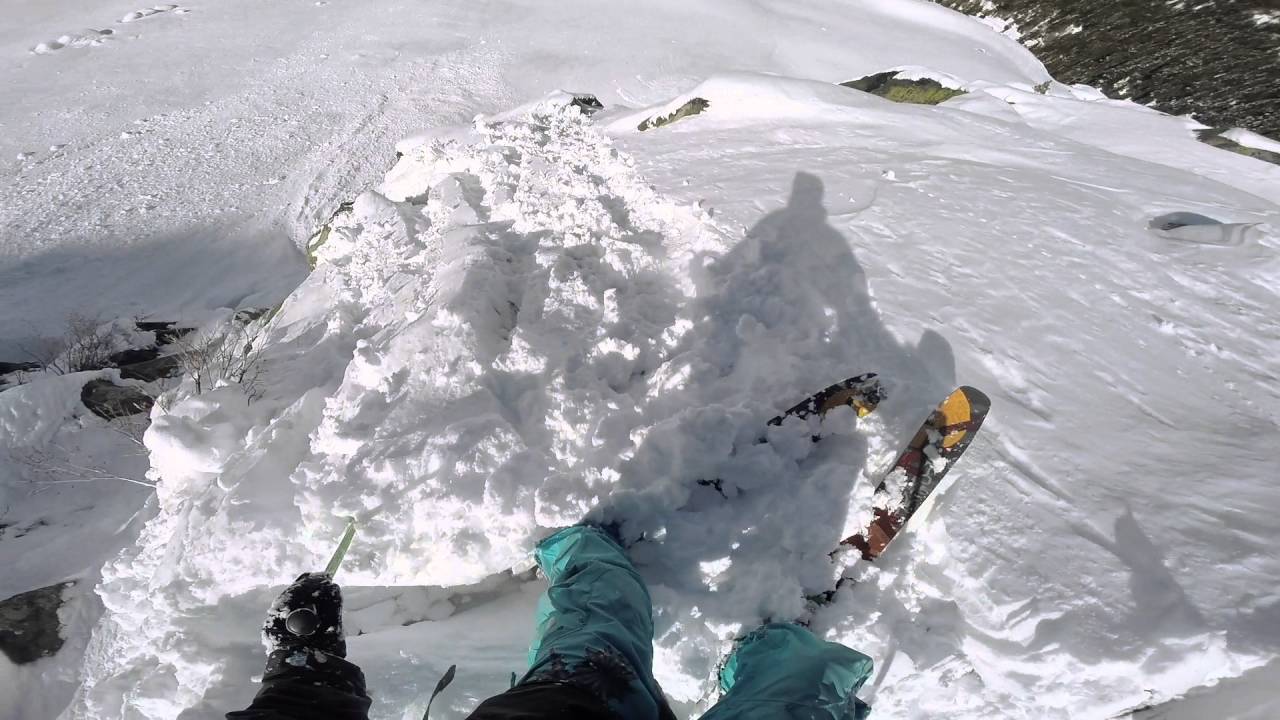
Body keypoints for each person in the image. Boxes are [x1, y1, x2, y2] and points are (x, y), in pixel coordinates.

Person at [228, 525, 873, 719]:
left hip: (572, 705)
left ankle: (584, 549)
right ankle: (792, 665)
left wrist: (302, 670)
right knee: (801, 696)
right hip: (578, 703)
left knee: (600, 601)